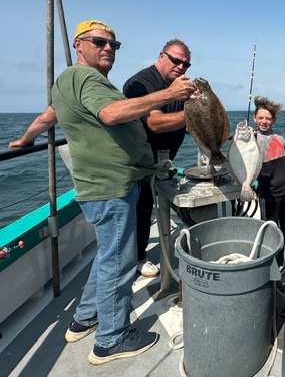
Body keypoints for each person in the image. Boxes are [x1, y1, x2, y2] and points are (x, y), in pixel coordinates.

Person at [11, 20, 196, 364]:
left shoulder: (70, 82)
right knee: (119, 261)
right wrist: (170, 94)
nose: (108, 48)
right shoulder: (85, 77)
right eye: (100, 42)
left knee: (107, 256)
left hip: (104, 185)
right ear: (79, 44)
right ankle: (111, 338)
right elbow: (110, 114)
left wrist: (25, 139)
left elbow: (49, 115)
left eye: (114, 44)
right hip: (110, 186)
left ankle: (85, 316)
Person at [122, 39, 193, 278]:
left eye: (186, 64)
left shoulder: (179, 86)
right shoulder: (139, 84)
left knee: (163, 202)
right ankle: (137, 257)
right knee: (140, 208)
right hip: (139, 162)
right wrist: (195, 114)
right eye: (176, 60)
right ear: (161, 55)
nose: (181, 67)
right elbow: (154, 123)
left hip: (165, 161)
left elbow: (186, 118)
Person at [253, 96, 285, 250]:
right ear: (254, 119)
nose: (264, 121)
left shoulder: (280, 137)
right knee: (270, 228)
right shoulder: (253, 139)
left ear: (273, 120)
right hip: (268, 194)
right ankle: (272, 257)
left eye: (268, 118)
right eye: (260, 118)